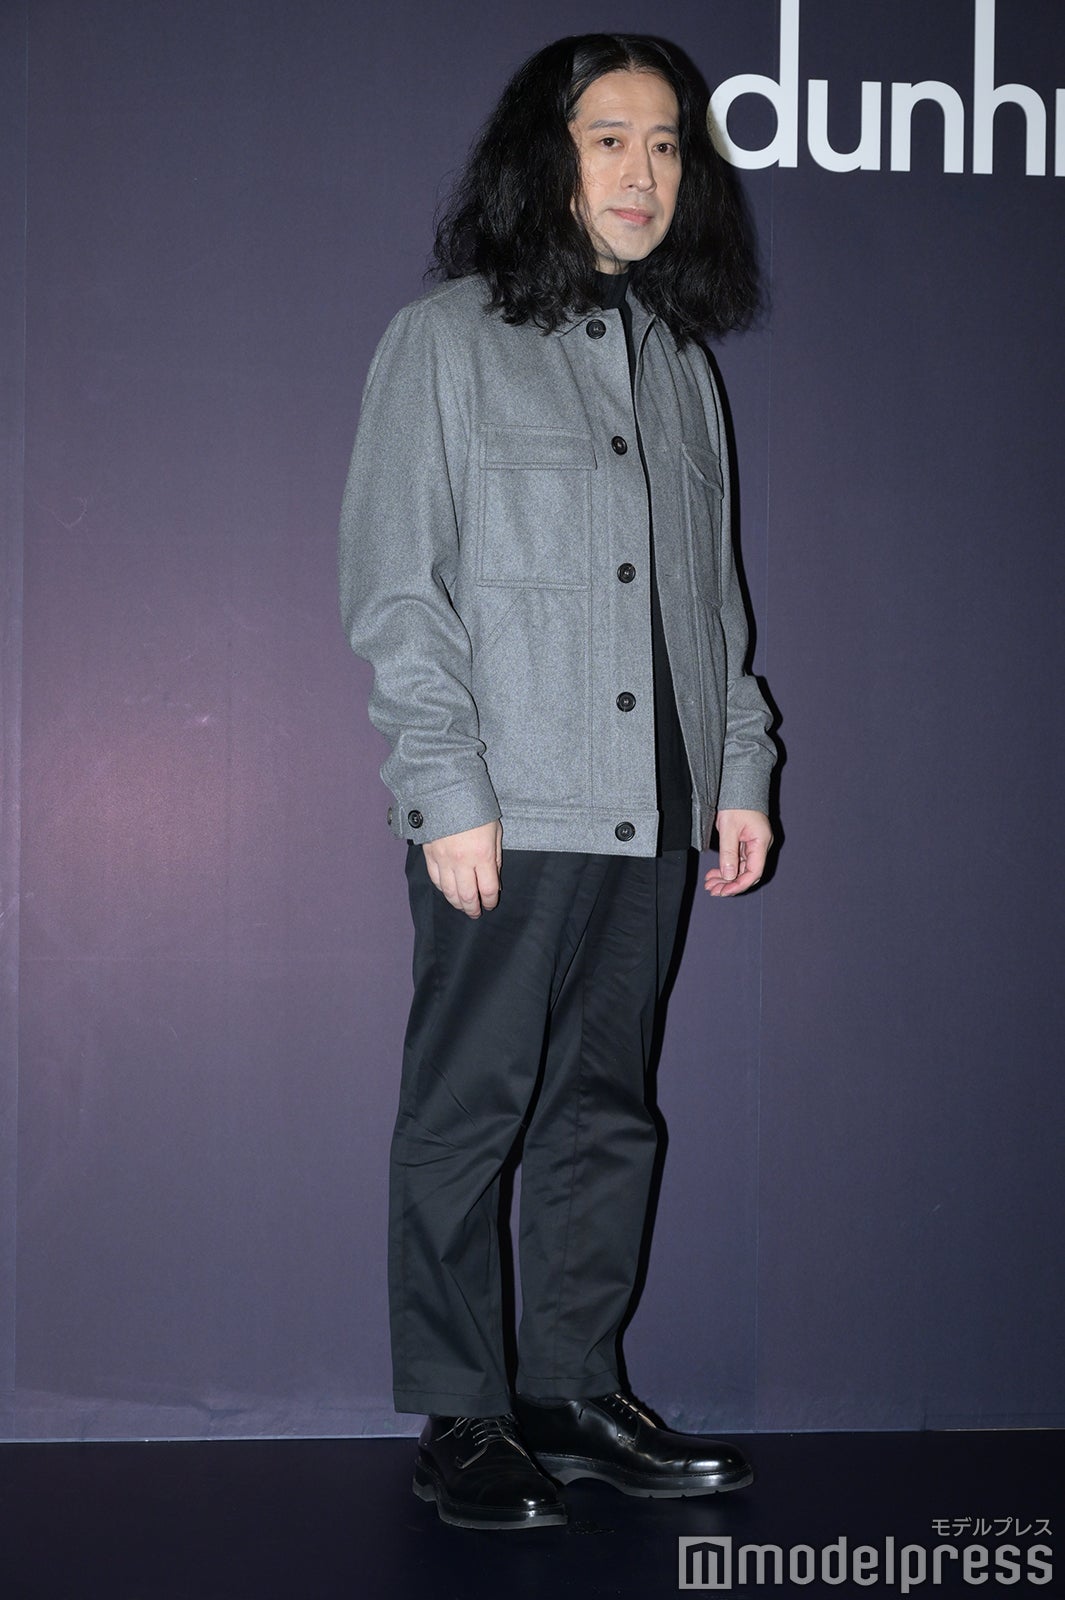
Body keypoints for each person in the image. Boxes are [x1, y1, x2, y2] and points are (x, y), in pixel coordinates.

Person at [339, 32, 777, 1531]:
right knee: (470, 1108)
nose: (642, 172)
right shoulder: (445, 340)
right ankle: (462, 1413)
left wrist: (738, 765)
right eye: (609, 140)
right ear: (547, 158)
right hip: (510, 804)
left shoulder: (681, 368)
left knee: (607, 1109)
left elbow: (714, 605)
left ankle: (570, 1392)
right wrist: (445, 786)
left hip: (658, 801)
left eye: (666, 145)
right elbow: (397, 587)